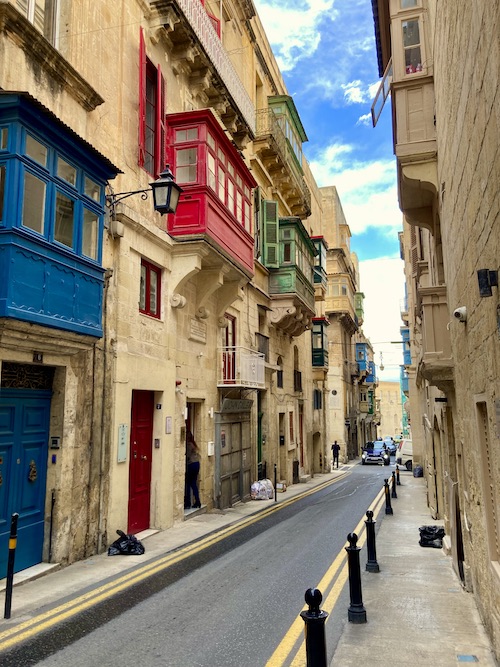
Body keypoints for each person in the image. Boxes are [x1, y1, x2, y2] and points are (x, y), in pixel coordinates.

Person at [186, 433, 201, 509]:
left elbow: (187, 456)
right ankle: (197, 501)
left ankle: (188, 503)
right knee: (193, 484)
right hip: (197, 464)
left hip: (191, 465)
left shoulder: (189, 445)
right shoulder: (194, 444)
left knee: (187, 484)